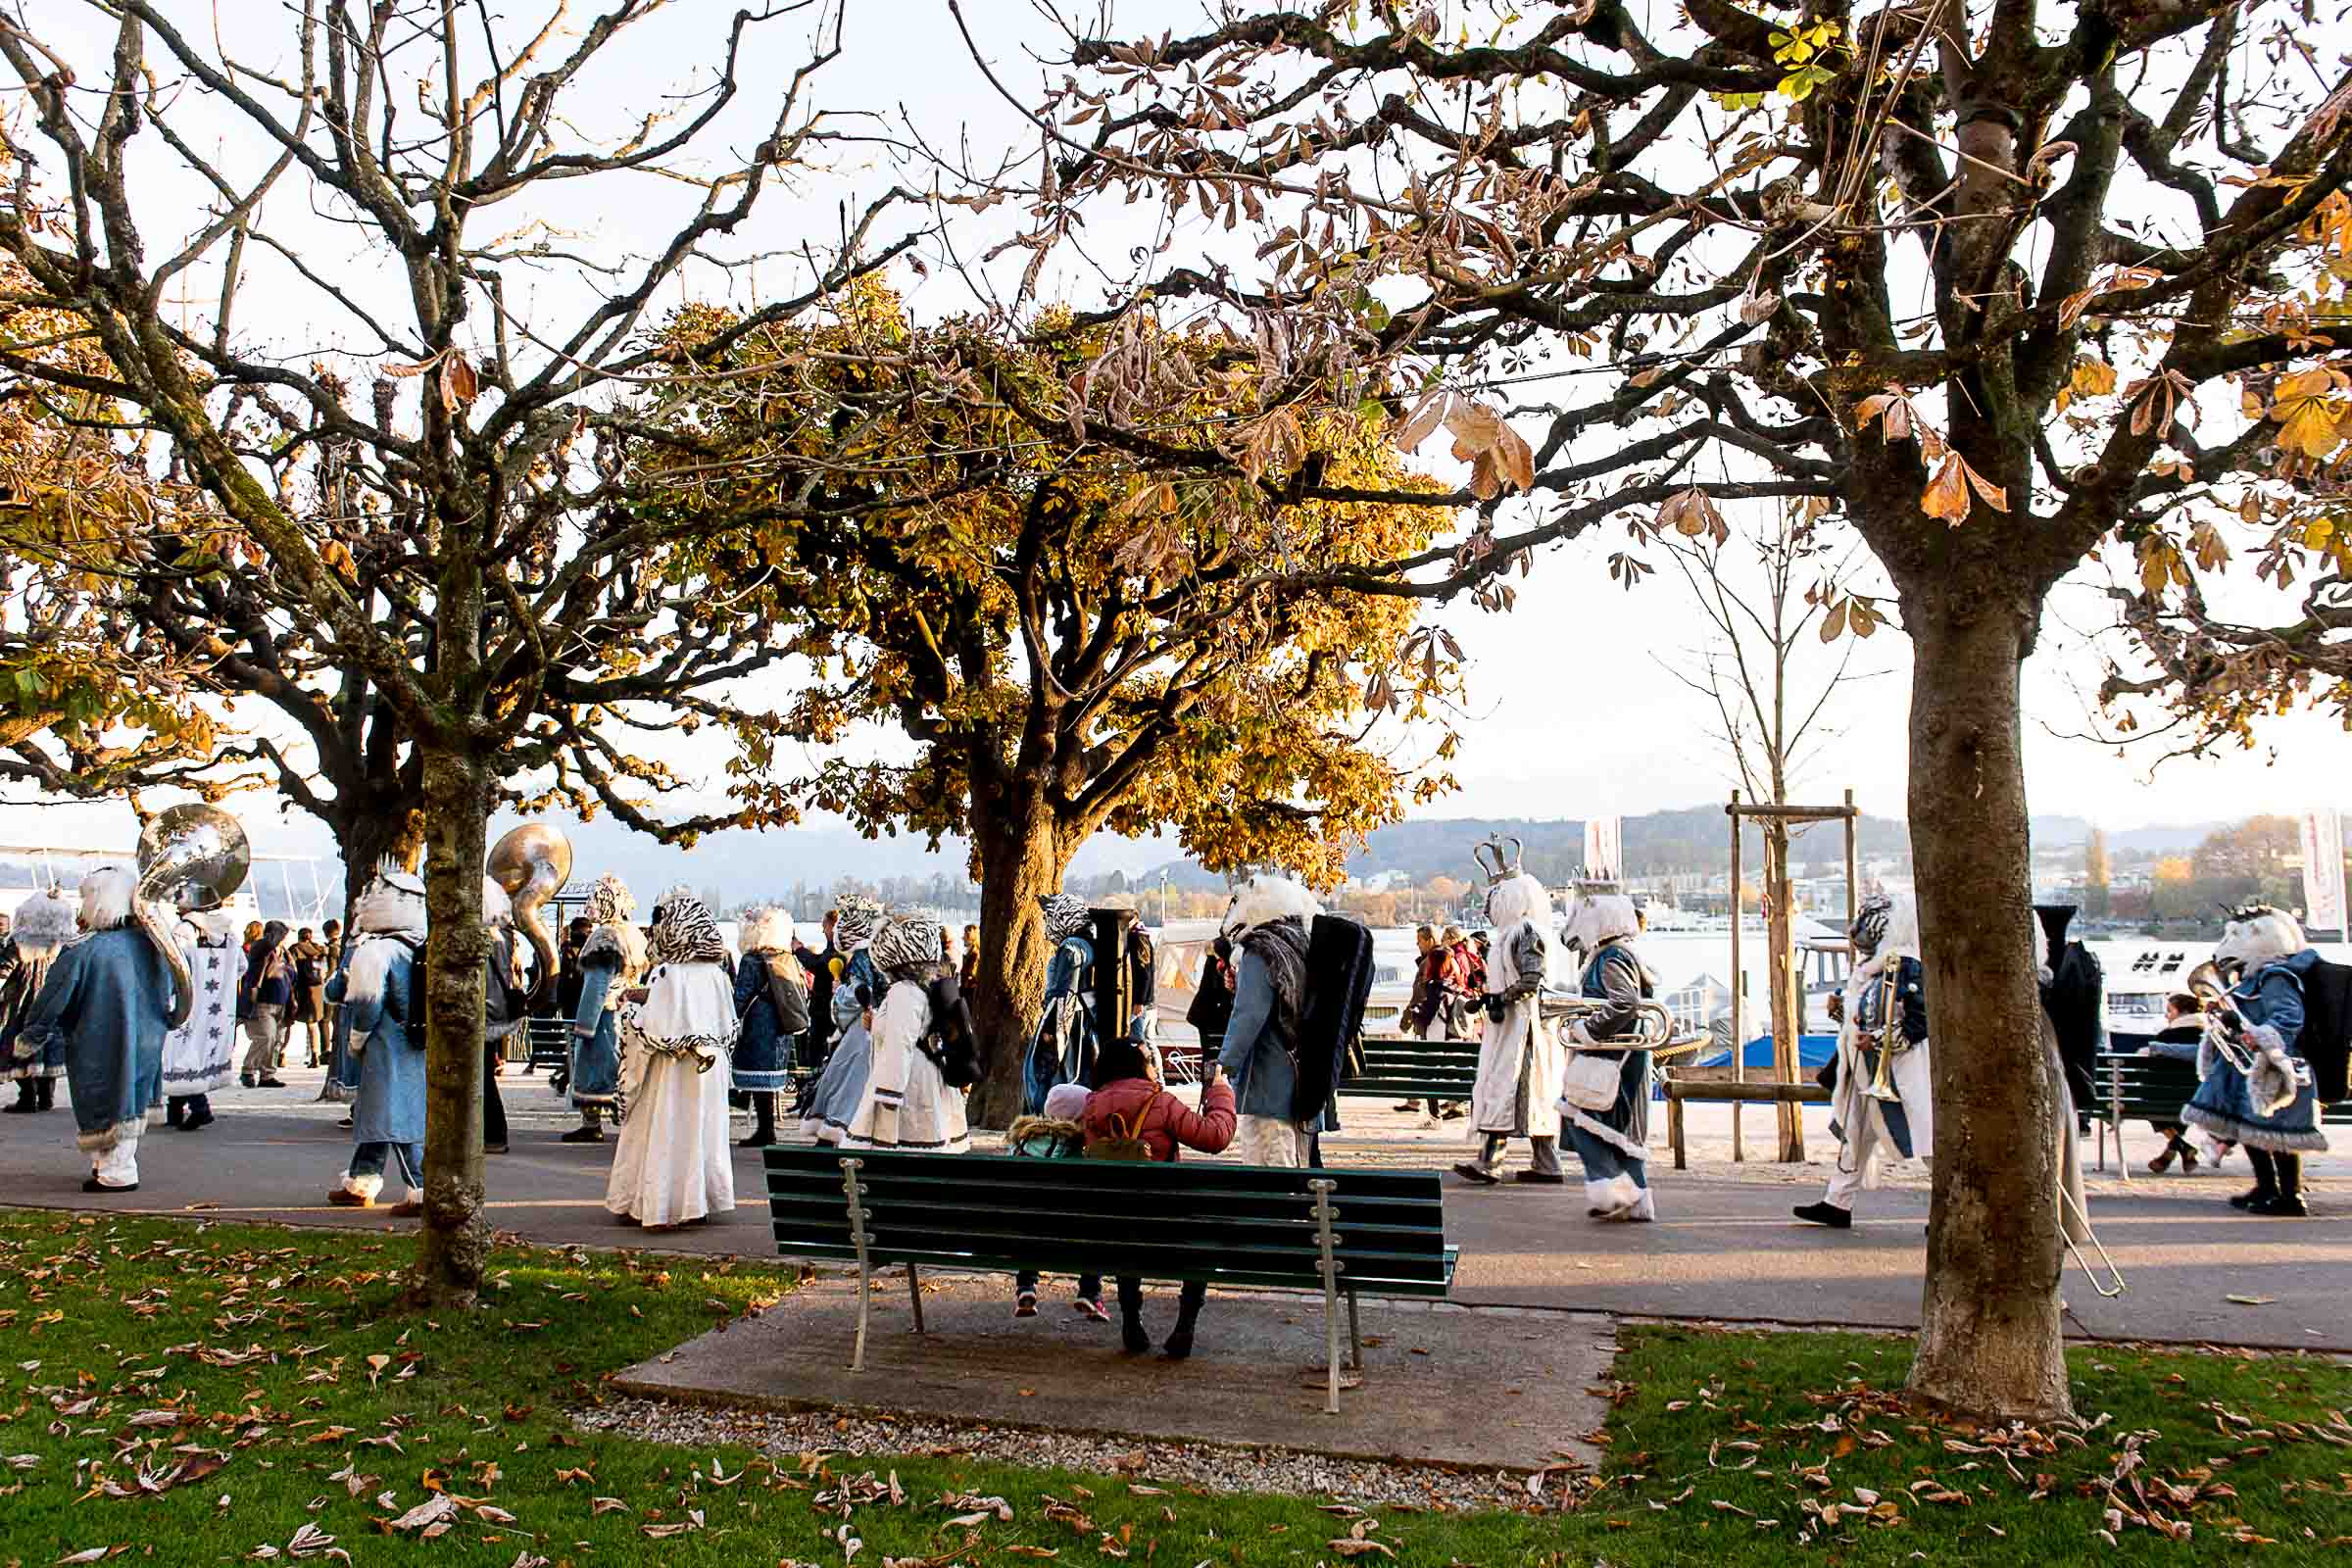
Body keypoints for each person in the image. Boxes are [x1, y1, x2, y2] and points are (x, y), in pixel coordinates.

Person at [17, 868, 176, 1192]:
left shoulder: (84, 949)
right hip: (147, 1037)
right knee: (132, 1096)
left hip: (97, 1037)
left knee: (103, 1099)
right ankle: (112, 1165)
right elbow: (177, 990)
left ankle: (115, 1171)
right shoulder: (154, 946)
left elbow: (53, 997)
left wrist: (32, 1035)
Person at [1082, 1037, 1238, 1356]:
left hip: (1111, 1227)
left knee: (1127, 1225)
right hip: (1167, 1226)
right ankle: (1185, 1324)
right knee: (1201, 1236)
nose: (1154, 1067)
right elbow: (1215, 1137)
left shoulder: (1092, 1105)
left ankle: (1130, 1318)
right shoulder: (1161, 1102)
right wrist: (1220, 1091)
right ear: (1138, 1066)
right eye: (1149, 1061)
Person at [2180, 905, 2330, 1217]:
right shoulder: (2257, 978)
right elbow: (2252, 1013)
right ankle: (2267, 1187)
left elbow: (2289, 1017)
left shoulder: (2276, 976)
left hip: (2276, 1067)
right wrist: (2228, 1019)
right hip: (2256, 1066)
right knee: (2251, 1130)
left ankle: (2290, 1196)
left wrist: (2261, 1036)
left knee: (2278, 1134)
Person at [1795, 893, 1934, 1229]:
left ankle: (1949, 1205)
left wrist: (1881, 1041)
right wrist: (1842, 1012)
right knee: (1855, 1133)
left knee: (1926, 1136)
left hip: (1900, 1071)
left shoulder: (1907, 966)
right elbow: (1868, 1015)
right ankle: (1837, 1202)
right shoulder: (1871, 970)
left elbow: (1920, 1020)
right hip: (1863, 1070)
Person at [606, 889, 739, 1228]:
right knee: (699, 1133)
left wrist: (633, 1010)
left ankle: (659, 1203)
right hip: (709, 1069)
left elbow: (656, 1027)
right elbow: (716, 1020)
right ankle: (697, 1201)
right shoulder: (717, 974)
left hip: (671, 1070)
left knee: (664, 1131)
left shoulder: (669, 973)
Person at [1456, 858, 1566, 1187]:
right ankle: (1546, 1163)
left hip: (1524, 1032)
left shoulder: (1524, 934)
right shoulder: (1514, 935)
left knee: (1506, 1089)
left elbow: (1533, 979)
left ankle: (1491, 1162)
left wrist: (1498, 998)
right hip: (1516, 1029)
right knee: (1525, 1095)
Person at [325, 870, 429, 1213]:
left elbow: (367, 1001)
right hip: (415, 1038)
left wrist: (357, 1036)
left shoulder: (378, 949)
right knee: (378, 1114)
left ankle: (421, 1187)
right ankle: (361, 1180)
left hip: (385, 1040)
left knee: (395, 1114)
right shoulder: (420, 944)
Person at [1554, 889, 1658, 1221]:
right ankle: (1635, 1196)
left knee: (1584, 1119)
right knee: (1619, 1129)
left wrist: (1590, 1029)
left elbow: (1625, 1002)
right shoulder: (1621, 953)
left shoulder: (1610, 957)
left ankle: (1614, 1191)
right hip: (1623, 1053)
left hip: (1612, 1055)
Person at [1214, 873, 1323, 1167]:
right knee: (1298, 1159)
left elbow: (1248, 1015)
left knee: (1267, 1159)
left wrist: (1223, 1065)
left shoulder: (1261, 950)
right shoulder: (1303, 943)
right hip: (1305, 1079)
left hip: (1268, 1081)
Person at [841, 913, 971, 1153]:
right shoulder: (932, 984)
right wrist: (877, 1024)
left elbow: (900, 1043)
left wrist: (887, 1096)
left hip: (911, 1087)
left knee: (907, 1150)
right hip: (933, 1078)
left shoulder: (904, 991)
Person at [1005, 1081, 1108, 1322]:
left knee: (1029, 1219)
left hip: (1021, 1232)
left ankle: (1026, 1287)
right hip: (1069, 1233)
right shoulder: (1074, 1147)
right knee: (1096, 1226)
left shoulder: (1021, 1140)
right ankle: (1090, 1292)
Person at [564, 875, 644, 1144]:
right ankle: (627, 1124)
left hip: (604, 1014)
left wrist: (584, 1025)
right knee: (625, 1068)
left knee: (597, 1068)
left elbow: (597, 985)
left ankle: (591, 1123)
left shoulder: (605, 937)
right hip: (630, 1014)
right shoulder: (632, 935)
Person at [799, 896, 884, 1143]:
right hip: (879, 1023)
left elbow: (857, 996)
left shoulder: (861, 957)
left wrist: (839, 992)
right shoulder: (879, 953)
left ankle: (838, 1135)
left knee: (845, 1080)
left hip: (863, 1029)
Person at [731, 907, 809, 1148]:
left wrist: (729, 1017)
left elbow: (742, 995)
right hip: (781, 1025)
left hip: (757, 1024)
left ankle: (765, 1130)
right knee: (768, 1080)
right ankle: (767, 1129)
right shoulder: (786, 958)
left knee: (756, 1079)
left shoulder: (752, 959)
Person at [160, 908, 237, 1131]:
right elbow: (242, 966)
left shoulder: (183, 931)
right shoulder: (228, 934)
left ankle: (199, 1108)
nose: (175, 905)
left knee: (179, 1057)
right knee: (193, 1056)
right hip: (217, 1006)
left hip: (187, 1002)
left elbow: (173, 968)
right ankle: (175, 1111)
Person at [1, 890, 75, 1114]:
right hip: (52, 1002)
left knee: (18, 1045)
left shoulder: (19, 943)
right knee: (47, 1044)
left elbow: (3, 970)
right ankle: (46, 1097)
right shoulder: (64, 946)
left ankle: (27, 1097)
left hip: (21, 1003)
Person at [1024, 894, 1098, 1110]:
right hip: (1076, 1023)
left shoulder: (1072, 948)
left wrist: (1053, 1036)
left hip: (1067, 1024)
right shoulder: (1083, 944)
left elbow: (1065, 995)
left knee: (1047, 1079)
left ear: (1062, 918)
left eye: (1049, 918)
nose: (1047, 928)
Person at [1398, 924, 1469, 1120]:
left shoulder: (1435, 986)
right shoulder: (1454, 987)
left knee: (1428, 1067)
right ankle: (1450, 1104)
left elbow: (1425, 1006)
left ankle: (1433, 1113)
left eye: (1419, 941)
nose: (1416, 944)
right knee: (1442, 1067)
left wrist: (1412, 1014)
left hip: (1435, 1037)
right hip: (1451, 1038)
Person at [482, 877, 529, 1155]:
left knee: (482, 1077)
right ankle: (492, 1133)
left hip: (483, 1008)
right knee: (484, 1073)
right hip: (497, 1006)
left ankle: (493, 1133)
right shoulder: (505, 933)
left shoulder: (487, 935)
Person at [2142, 992, 2208, 1173]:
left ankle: (2180, 1147)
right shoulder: (2209, 1037)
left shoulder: (2165, 1036)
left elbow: (2148, 1072)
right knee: (2179, 1104)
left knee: (2151, 1101)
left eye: (2170, 1011)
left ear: (2182, 1013)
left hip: (2159, 1101)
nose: (2167, 1015)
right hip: (2198, 1099)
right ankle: (2175, 1152)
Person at [239, 920, 292, 1089]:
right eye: (282, 935)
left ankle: (267, 1074)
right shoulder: (260, 948)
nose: (285, 939)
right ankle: (248, 1070)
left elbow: (292, 974)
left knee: (276, 1040)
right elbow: (267, 946)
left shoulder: (283, 952)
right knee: (266, 1037)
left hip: (281, 1001)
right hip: (263, 1001)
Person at [1184, 935, 1235, 1100]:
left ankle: (1210, 1097)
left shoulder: (1219, 953)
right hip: (1214, 1019)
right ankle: (1211, 1099)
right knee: (1215, 1065)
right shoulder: (1223, 959)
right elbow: (1217, 991)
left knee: (1213, 1063)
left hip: (1211, 1017)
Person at [288, 927, 330, 1067]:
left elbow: (291, 969)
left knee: (287, 1023)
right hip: (317, 990)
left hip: (301, 989)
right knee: (312, 1025)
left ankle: (280, 1054)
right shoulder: (319, 950)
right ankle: (315, 1054)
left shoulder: (294, 949)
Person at [960, 924, 981, 992]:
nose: (963, 938)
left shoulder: (975, 954)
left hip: (970, 991)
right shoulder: (971, 953)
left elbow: (972, 973)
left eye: (965, 935)